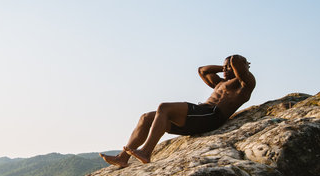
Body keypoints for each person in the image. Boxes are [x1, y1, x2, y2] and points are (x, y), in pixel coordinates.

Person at [100, 54, 256, 167]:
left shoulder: (245, 84)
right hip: (198, 117)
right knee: (146, 117)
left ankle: (146, 151)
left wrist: (236, 63)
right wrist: (223, 66)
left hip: (211, 116)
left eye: (229, 66)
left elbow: (236, 61)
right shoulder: (220, 83)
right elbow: (202, 70)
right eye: (225, 66)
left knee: (164, 107)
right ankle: (122, 158)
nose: (226, 68)